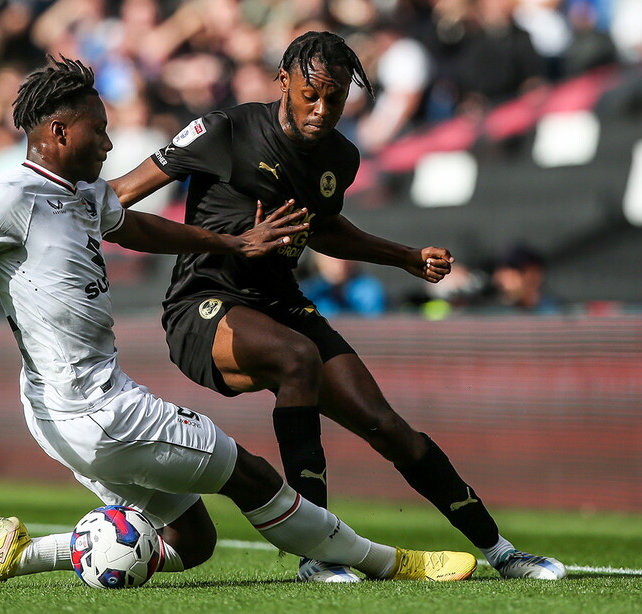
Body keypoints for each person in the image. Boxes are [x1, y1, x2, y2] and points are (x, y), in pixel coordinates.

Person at [0, 57, 478, 589]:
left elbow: (142, 227)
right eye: (98, 129)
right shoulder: (9, 199)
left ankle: (23, 551)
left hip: (58, 413)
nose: (109, 139)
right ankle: (388, 562)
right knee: (250, 475)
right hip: (98, 410)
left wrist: (230, 243)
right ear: (59, 132)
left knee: (193, 543)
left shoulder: (83, 195)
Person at [108, 31, 566, 581]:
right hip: (202, 306)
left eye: (336, 97)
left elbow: (325, 229)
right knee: (296, 357)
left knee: (387, 426)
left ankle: (502, 553)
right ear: (284, 81)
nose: (322, 110)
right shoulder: (225, 130)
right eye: (311, 94)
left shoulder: (339, 158)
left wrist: (404, 257)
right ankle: (315, 552)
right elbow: (118, 196)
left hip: (280, 303)